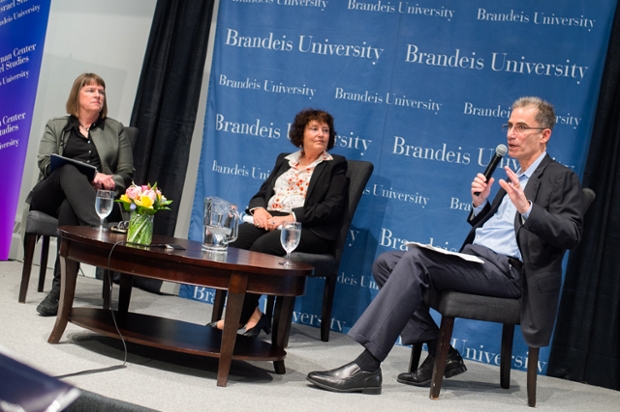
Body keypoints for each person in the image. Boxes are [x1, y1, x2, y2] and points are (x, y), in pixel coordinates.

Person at [306, 97, 584, 394]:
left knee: (416, 260)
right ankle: (443, 353)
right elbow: (497, 229)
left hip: (511, 274)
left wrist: (527, 208)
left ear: (545, 135)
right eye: (510, 125)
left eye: (522, 127)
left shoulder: (560, 178)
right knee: (387, 262)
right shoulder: (513, 174)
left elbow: (571, 233)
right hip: (479, 260)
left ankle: (367, 365)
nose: (511, 134)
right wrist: (480, 206)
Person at [208, 108, 348, 338]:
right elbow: (262, 192)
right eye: (314, 129)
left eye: (325, 130)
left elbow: (331, 207)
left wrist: (290, 218)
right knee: (234, 240)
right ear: (300, 133)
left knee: (262, 248)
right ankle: (254, 314)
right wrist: (259, 210)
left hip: (306, 227)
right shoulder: (285, 160)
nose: (321, 134)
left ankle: (237, 317)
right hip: (271, 218)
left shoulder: (335, 164)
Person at [29, 73, 134, 316]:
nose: (98, 95)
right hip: (50, 193)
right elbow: (45, 163)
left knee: (70, 207)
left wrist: (108, 182)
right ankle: (99, 233)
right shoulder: (56, 125)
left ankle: (60, 291)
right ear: (77, 94)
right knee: (68, 169)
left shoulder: (115, 129)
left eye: (101, 91)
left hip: (93, 199)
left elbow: (126, 173)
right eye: (91, 90)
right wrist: (89, 176)